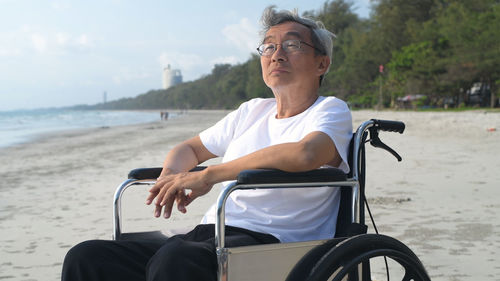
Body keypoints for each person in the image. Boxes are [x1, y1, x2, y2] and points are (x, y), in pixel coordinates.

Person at [61, 6, 352, 281]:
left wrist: (209, 175)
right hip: (211, 233)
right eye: (269, 46)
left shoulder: (330, 110)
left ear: (321, 63)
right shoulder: (252, 111)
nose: (276, 55)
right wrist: (170, 179)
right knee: (86, 257)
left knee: (176, 259)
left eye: (291, 45)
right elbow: (189, 149)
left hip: (275, 242)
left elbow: (305, 154)